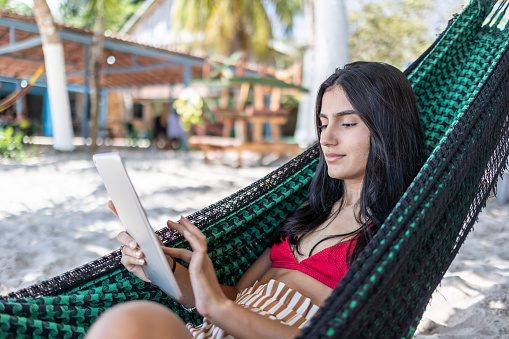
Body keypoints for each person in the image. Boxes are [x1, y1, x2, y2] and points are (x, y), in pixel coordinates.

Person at [86, 61, 425, 339]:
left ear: (387, 129)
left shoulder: (392, 234)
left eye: (347, 123)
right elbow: (233, 297)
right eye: (322, 124)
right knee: (128, 322)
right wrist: (164, 269)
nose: (327, 139)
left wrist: (220, 309)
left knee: (130, 322)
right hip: (212, 330)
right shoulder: (309, 215)